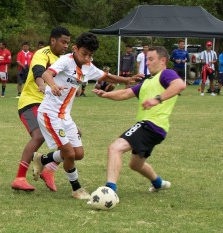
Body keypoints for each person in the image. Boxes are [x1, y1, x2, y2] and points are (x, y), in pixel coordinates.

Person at [32, 32, 142, 199]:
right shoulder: (66, 61)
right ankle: (76, 189)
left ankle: (43, 160)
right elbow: (47, 73)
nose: (87, 58)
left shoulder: (88, 66)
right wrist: (53, 85)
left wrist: (127, 80)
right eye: (84, 54)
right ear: (75, 49)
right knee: (69, 154)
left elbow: (107, 76)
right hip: (49, 113)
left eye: (90, 55)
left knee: (79, 154)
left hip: (65, 117)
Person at [92, 46, 186, 194]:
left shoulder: (166, 74)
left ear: (163, 61)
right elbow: (125, 93)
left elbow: (180, 85)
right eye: (146, 59)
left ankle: (109, 190)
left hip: (150, 124)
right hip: (156, 129)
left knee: (115, 148)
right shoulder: (148, 82)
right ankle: (159, 183)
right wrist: (105, 94)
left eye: (151, 59)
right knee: (135, 164)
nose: (147, 63)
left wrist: (157, 99)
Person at [11, 27, 71, 192]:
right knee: (38, 135)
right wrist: (42, 85)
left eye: (68, 43)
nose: (66, 46)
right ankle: (20, 178)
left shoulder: (65, 59)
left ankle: (49, 169)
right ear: (53, 40)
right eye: (63, 42)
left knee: (74, 135)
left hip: (51, 107)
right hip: (30, 103)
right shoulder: (41, 54)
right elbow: (39, 71)